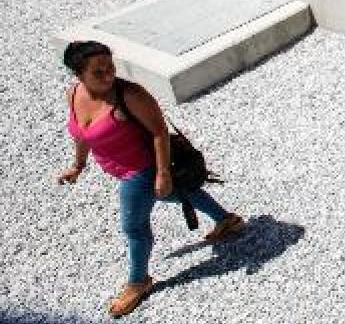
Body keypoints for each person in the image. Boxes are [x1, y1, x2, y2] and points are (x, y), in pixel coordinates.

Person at [56, 40, 245, 318]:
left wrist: (162, 172)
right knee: (178, 193)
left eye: (110, 67)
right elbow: (81, 134)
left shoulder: (130, 95)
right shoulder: (73, 94)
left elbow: (159, 132)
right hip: (119, 169)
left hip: (139, 171)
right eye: (98, 72)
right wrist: (78, 165)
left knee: (134, 228)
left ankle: (138, 282)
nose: (108, 76)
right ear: (79, 74)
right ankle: (227, 219)